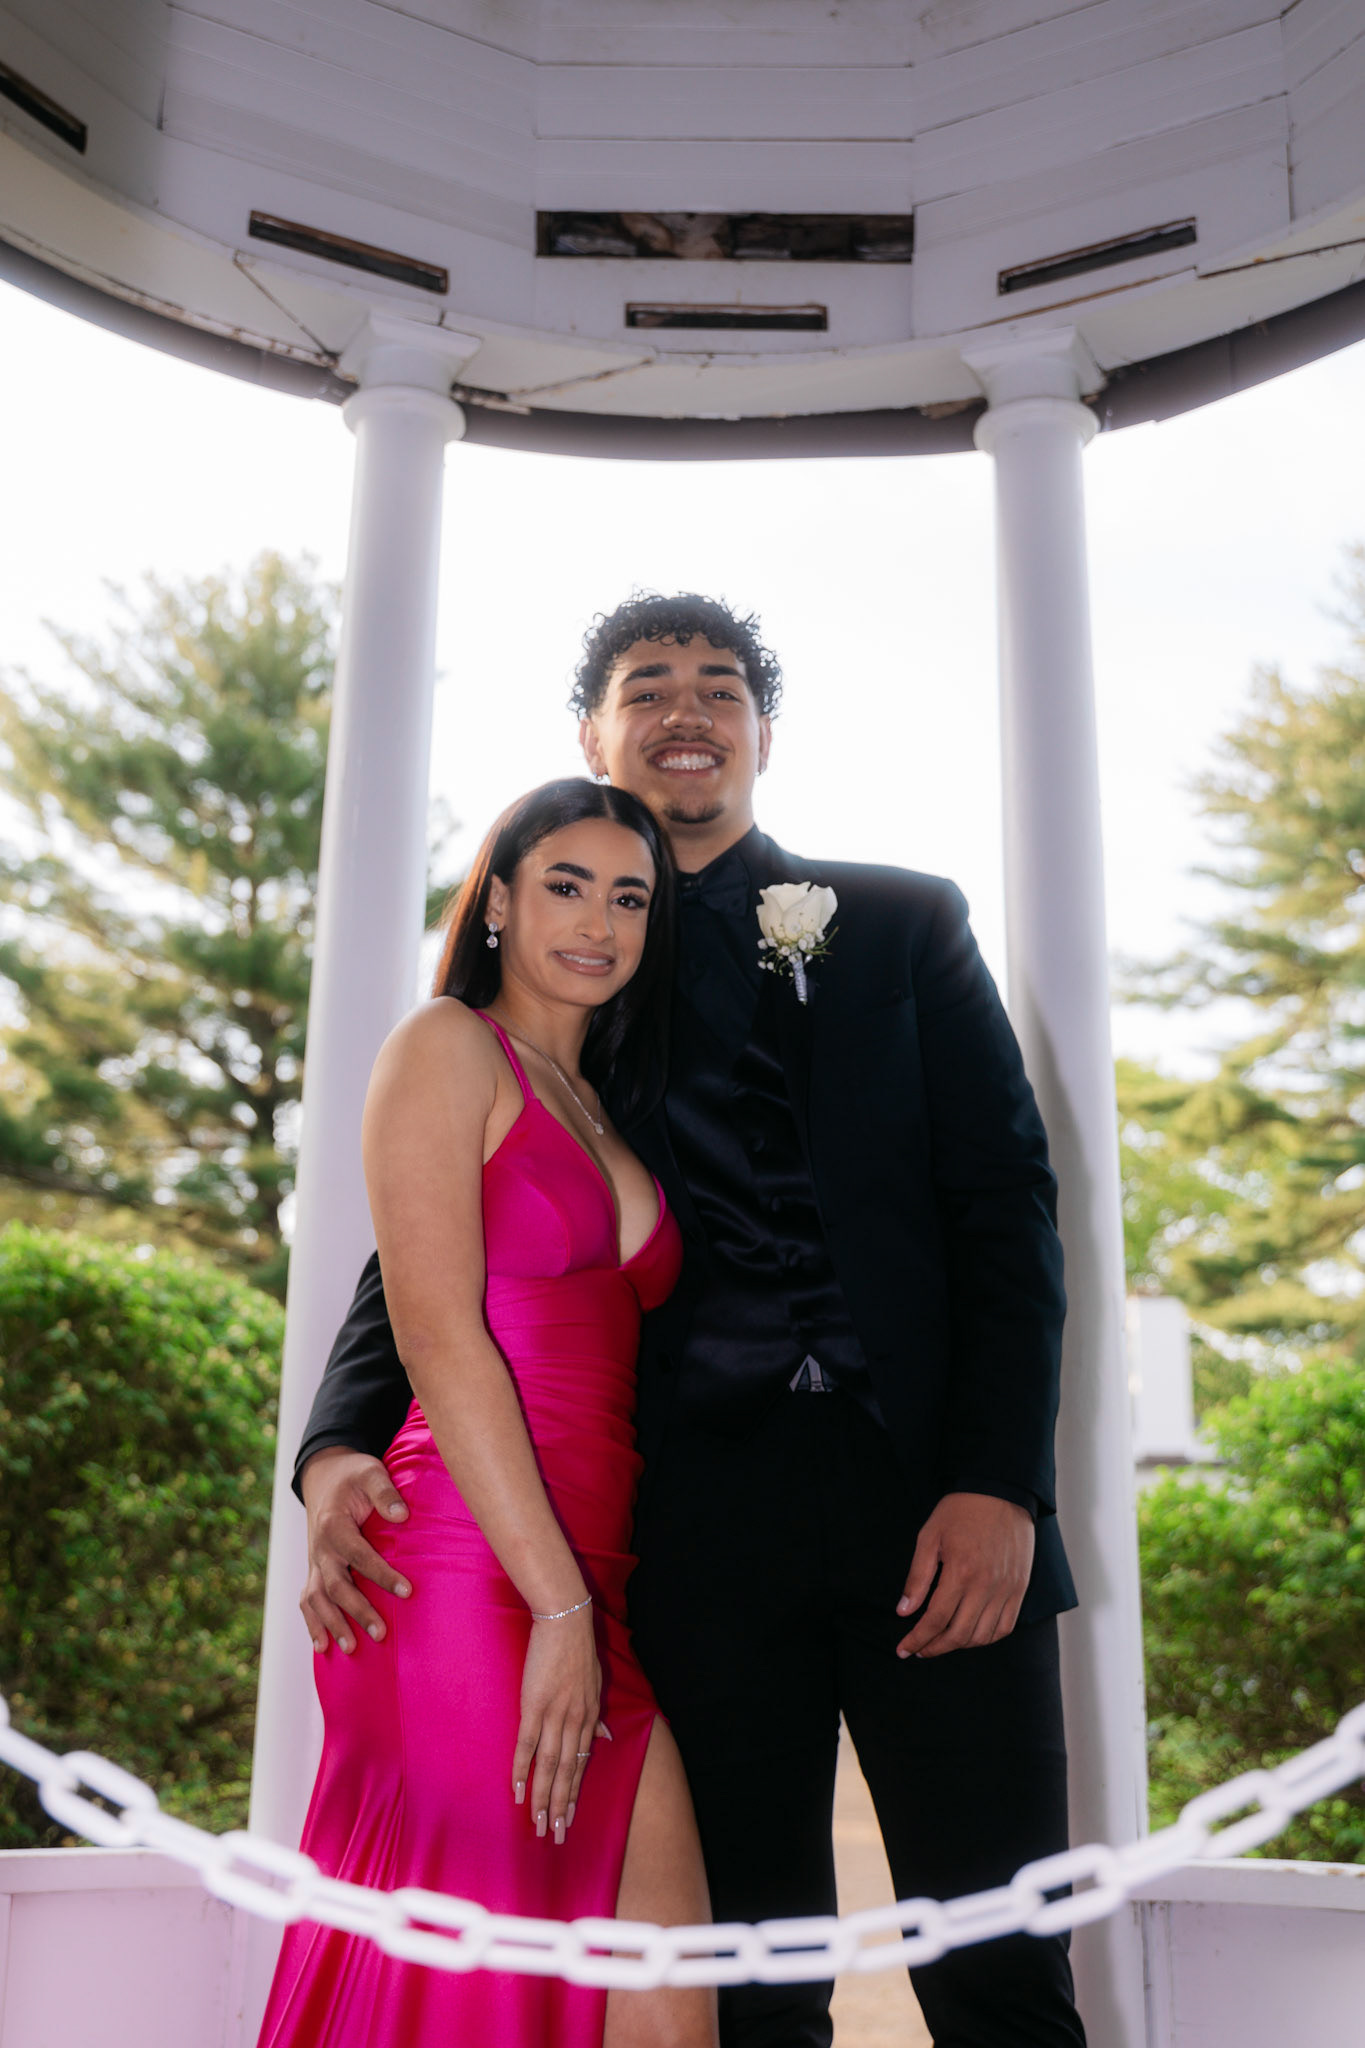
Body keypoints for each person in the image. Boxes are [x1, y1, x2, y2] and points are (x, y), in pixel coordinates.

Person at [297, 595, 1087, 2048]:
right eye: (646, 686)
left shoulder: (905, 922)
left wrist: (1000, 1482)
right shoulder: (573, 975)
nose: (686, 710)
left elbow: (1005, 1206)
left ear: (762, 736)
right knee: (746, 1986)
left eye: (719, 688)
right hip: (692, 1531)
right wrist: (338, 1438)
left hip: (931, 1504)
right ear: (592, 739)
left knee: (1003, 1968)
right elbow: (433, 1236)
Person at [259, 778, 718, 2048]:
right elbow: (433, 1328)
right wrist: (555, 1607)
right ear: (499, 899)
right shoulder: (445, 1046)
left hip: (590, 1581)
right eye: (566, 884)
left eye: (630, 896)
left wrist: (579, 1606)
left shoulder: (603, 1098)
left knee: (670, 2007)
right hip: (469, 1574)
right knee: (472, 2002)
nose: (600, 921)